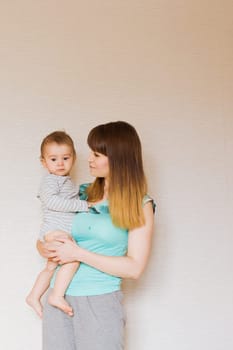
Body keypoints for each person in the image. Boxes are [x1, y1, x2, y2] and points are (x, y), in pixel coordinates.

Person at [37, 121, 155, 350]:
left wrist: (79, 253)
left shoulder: (140, 204)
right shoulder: (80, 193)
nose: (89, 159)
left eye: (97, 154)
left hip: (99, 300)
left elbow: (134, 268)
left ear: (119, 158)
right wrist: (43, 247)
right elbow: (50, 225)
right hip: (58, 296)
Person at [26, 131, 89, 318]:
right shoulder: (50, 181)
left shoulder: (65, 181)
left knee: (51, 267)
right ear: (44, 162)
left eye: (65, 158)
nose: (60, 163)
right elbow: (52, 202)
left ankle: (34, 295)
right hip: (54, 231)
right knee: (74, 258)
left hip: (55, 231)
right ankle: (56, 295)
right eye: (53, 159)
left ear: (74, 158)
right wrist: (84, 205)